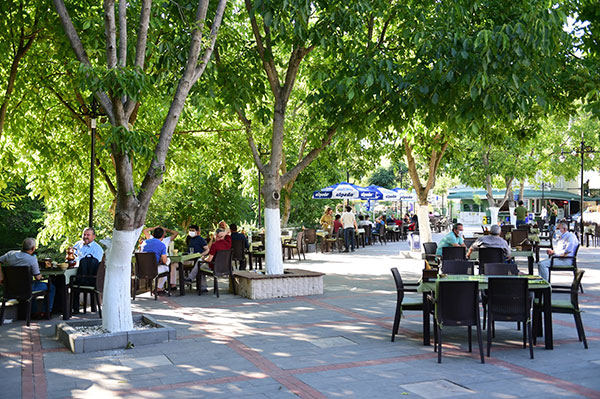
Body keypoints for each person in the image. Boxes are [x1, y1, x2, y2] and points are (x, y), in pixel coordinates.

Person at [0, 238, 55, 318]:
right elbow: (38, 277)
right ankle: (45, 312)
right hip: (27, 288)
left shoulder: (10, 254)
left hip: (10, 288)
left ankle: (33, 312)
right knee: (51, 286)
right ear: (33, 248)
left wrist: (1, 276)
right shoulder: (32, 259)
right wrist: (42, 277)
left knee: (31, 285)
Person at [141, 227, 170, 295]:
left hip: (142, 269)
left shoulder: (144, 242)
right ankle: (158, 288)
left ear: (153, 234)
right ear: (162, 236)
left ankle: (158, 288)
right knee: (167, 269)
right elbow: (165, 261)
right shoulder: (162, 245)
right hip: (154, 269)